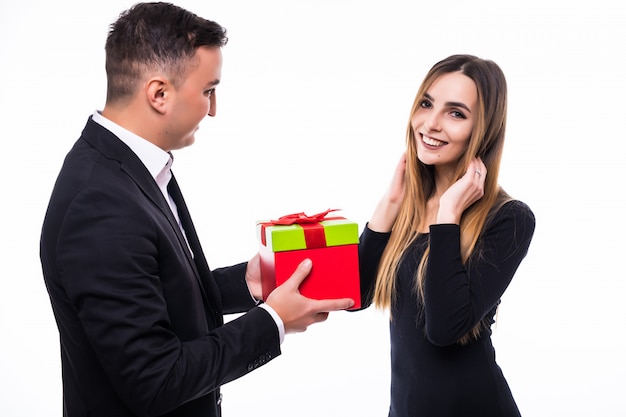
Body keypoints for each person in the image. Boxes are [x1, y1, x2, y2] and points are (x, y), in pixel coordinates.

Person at [39, 3, 354, 416]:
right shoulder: (100, 206)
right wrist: (273, 321)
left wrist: (248, 283)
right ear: (159, 94)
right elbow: (156, 381)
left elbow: (154, 290)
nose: (214, 107)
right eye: (208, 90)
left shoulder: (129, 165)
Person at [357, 54, 535, 416]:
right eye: (426, 103)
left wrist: (448, 215)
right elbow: (356, 293)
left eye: (456, 113)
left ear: (481, 130)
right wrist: (390, 203)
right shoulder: (407, 206)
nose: (431, 124)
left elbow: (444, 327)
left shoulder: (509, 219)